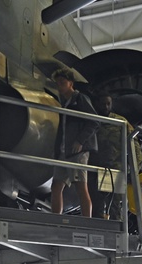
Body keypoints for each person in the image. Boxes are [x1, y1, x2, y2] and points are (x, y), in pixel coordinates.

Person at [50, 68, 98, 217]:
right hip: (65, 151)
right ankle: (56, 219)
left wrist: (80, 141)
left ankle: (86, 221)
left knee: (80, 187)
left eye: (63, 83)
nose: (60, 86)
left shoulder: (80, 99)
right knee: (56, 186)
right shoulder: (65, 103)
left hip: (76, 152)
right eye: (58, 83)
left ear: (71, 83)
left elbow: (94, 121)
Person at [88, 93, 129, 220]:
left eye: (108, 104)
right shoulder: (91, 121)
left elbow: (134, 145)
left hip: (113, 168)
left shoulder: (120, 122)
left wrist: (132, 168)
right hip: (94, 167)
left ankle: (114, 231)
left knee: (114, 206)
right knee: (96, 206)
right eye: (103, 104)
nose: (106, 107)